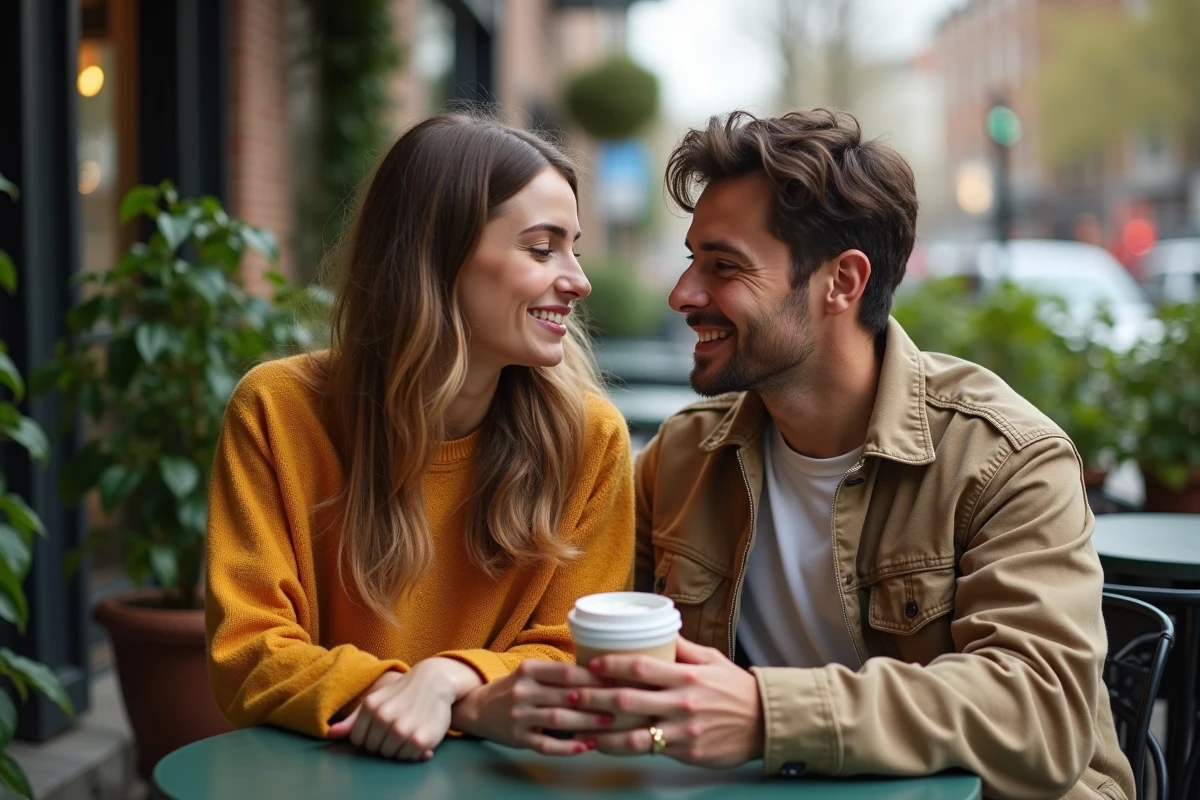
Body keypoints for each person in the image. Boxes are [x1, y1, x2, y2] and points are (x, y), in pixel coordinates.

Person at [566, 110, 1135, 800]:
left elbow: (1042, 715)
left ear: (842, 282)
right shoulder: (686, 455)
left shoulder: (1005, 459)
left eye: (723, 266)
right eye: (692, 261)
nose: (683, 294)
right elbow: (572, 620)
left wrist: (767, 716)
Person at [205, 113, 631, 763]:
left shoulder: (589, 439)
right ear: (438, 255)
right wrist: (445, 698)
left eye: (573, 247)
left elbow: (576, 650)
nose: (578, 279)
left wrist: (448, 678)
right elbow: (249, 652)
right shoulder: (278, 411)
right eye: (542, 249)